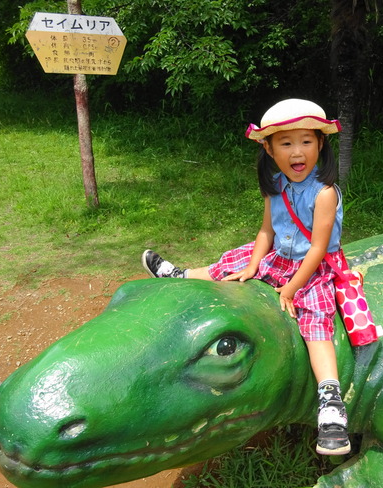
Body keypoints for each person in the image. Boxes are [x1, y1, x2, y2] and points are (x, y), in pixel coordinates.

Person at [142, 98, 350, 456]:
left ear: (320, 144)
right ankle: (181, 274)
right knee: (232, 261)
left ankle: (331, 402)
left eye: (306, 141)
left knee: (316, 320)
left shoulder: (324, 193)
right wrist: (254, 264)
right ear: (269, 149)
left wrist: (291, 287)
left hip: (311, 268)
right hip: (278, 257)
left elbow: (317, 249)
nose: (297, 151)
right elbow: (266, 231)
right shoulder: (276, 186)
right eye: (286, 143)